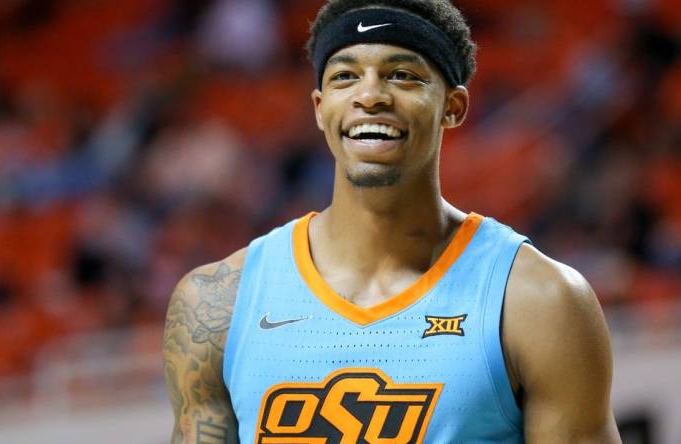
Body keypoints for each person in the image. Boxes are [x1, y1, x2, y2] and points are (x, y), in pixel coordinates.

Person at [163, 0, 621, 442]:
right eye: (345, 76)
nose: (370, 95)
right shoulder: (216, 305)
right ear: (320, 107)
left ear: (453, 107)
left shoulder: (538, 301)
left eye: (401, 75)